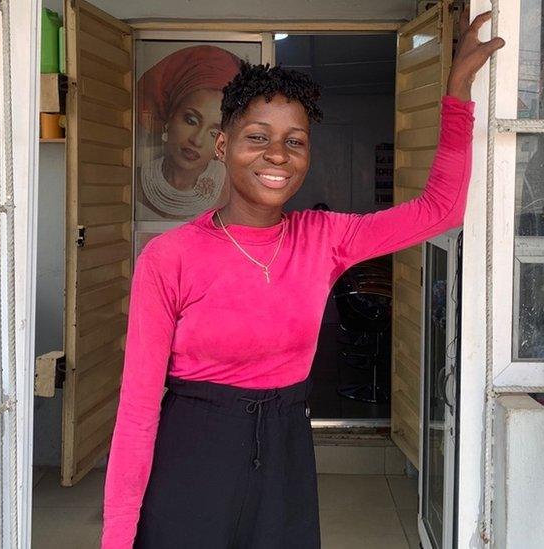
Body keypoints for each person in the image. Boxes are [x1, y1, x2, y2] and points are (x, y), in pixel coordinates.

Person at [103, 10, 503, 548]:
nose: (277, 155)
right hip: (191, 455)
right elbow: (136, 411)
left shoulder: (324, 238)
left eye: (295, 142)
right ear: (223, 146)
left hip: (287, 450)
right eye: (257, 137)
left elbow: (440, 211)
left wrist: (457, 95)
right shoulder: (169, 257)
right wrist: (117, 537)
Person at [137, 45, 243, 219]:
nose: (197, 140)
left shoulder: (232, 192)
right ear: (169, 118)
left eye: (213, 132)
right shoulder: (134, 185)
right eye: (191, 120)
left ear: (224, 142)